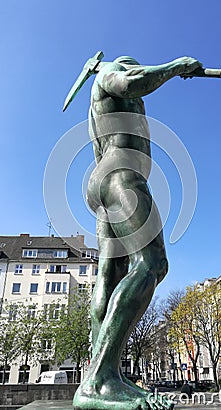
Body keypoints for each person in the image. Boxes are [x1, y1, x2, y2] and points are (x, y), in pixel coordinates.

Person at [73, 55, 202, 410]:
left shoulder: (107, 105)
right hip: (122, 176)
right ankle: (100, 380)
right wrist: (177, 67)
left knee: (111, 276)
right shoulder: (111, 74)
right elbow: (131, 82)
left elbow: (134, 90)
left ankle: (102, 375)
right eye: (131, 65)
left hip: (103, 181)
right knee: (153, 264)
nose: (134, 70)